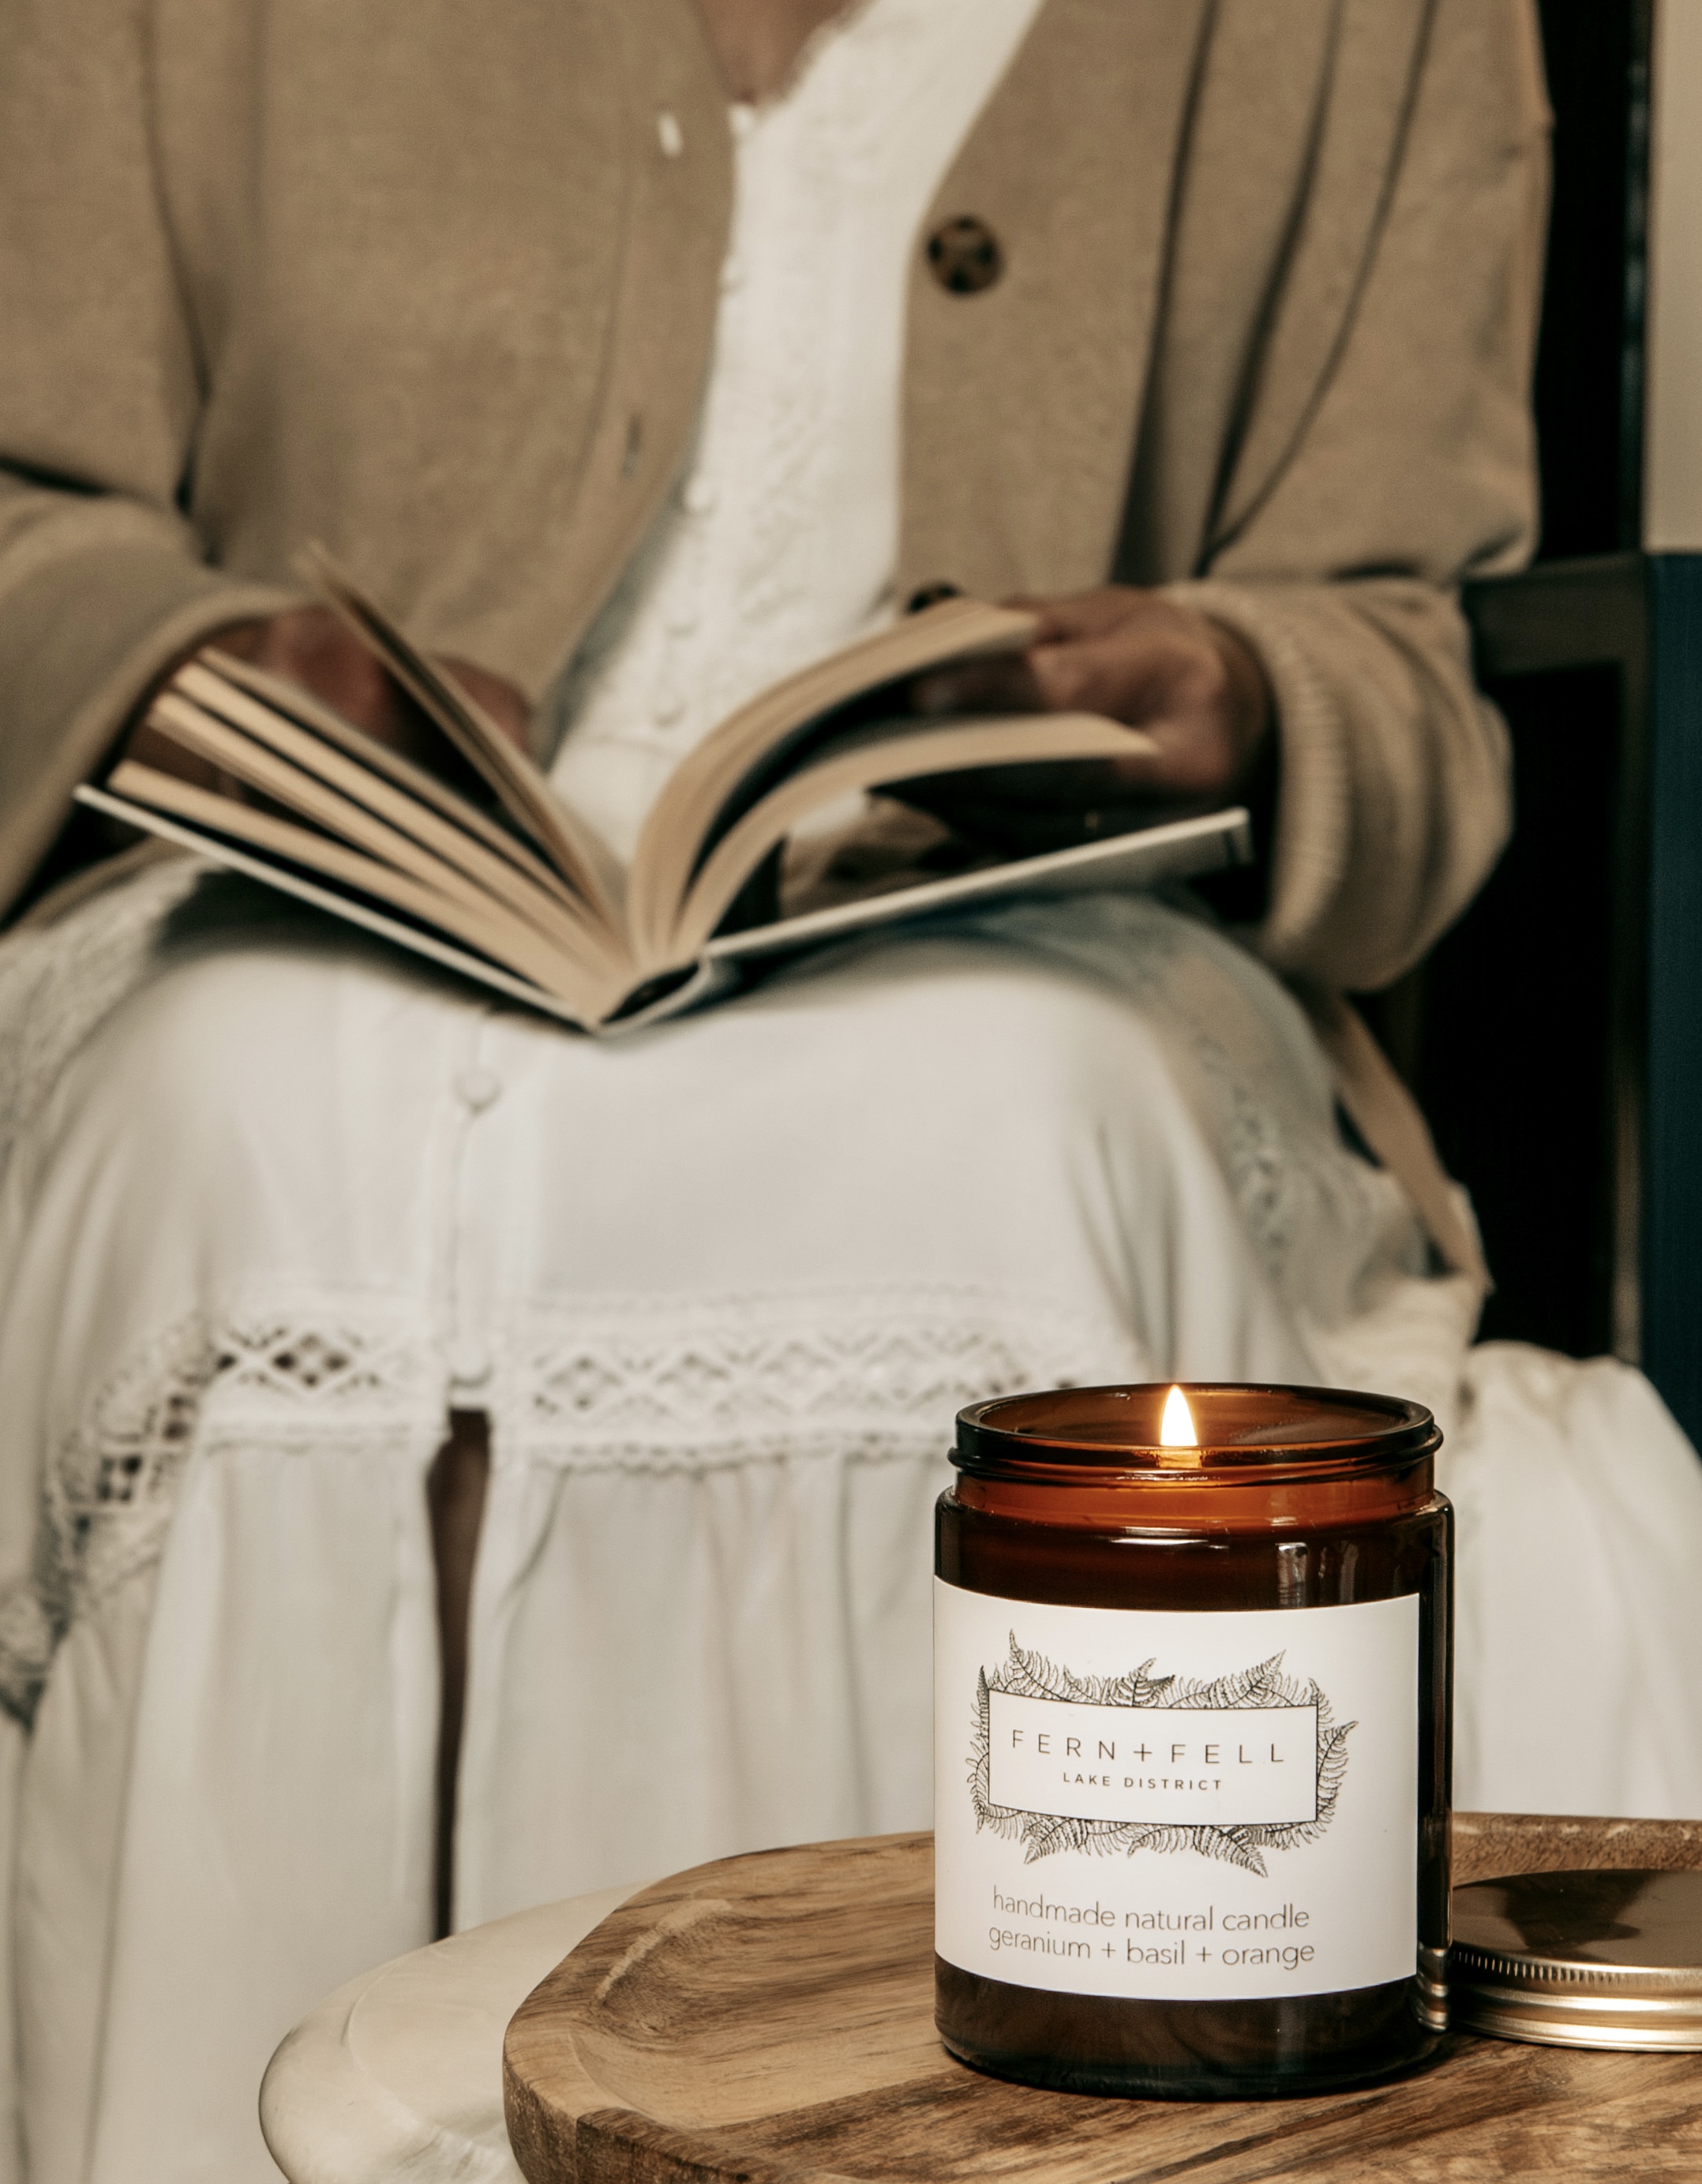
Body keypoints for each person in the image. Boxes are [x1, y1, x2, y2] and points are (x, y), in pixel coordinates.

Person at [2, 2, 1701, 2178]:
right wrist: (197, 665)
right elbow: (29, 511)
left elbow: (1403, 656)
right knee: (245, 1129)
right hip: (297, 897)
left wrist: (1221, 684)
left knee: (990, 1130)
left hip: (1016, 928)